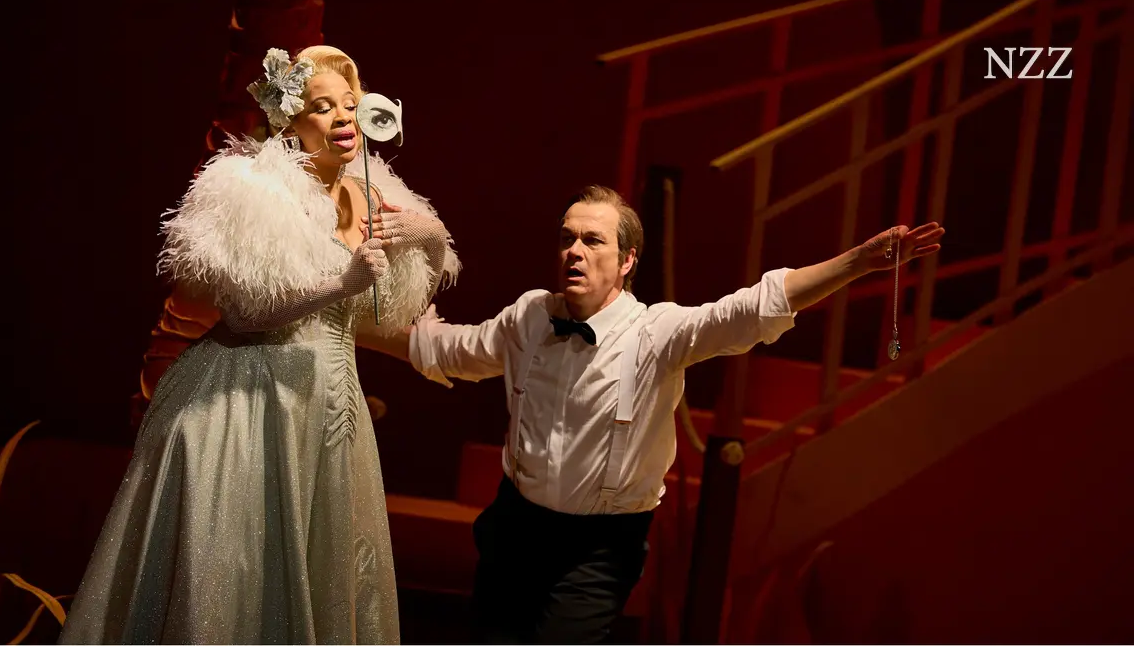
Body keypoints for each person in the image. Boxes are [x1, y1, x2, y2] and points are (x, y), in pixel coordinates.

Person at [359, 185, 943, 643]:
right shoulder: (531, 316)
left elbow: (750, 311)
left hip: (598, 548)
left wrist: (857, 263)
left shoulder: (655, 333)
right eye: (567, 238)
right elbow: (450, 351)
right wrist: (340, 325)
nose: (574, 251)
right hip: (515, 529)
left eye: (593, 241)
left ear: (627, 260)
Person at [60, 45, 459, 644]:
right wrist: (339, 283)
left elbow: (397, 308)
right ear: (290, 122)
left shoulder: (372, 195)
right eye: (322, 107)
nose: (343, 117)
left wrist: (429, 232)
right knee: (236, 570)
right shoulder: (256, 192)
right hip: (248, 402)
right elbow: (246, 317)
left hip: (330, 407)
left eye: (349, 103)